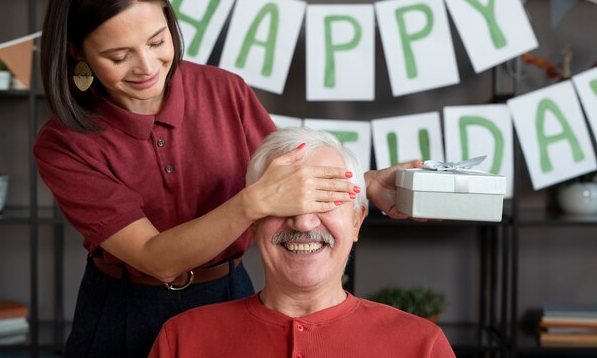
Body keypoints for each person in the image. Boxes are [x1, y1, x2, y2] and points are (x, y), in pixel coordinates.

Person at [33, 0, 423, 358]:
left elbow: (286, 179)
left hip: (227, 295)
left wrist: (366, 183)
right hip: (122, 312)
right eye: (118, 55)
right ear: (78, 52)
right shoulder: (64, 143)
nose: (147, 67)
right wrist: (252, 202)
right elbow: (156, 257)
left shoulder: (224, 91)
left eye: (157, 40)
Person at [148, 127, 454, 358]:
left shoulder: (422, 347)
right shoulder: (182, 340)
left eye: (325, 199)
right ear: (252, 223)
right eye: (283, 201)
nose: (304, 222)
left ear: (357, 221)